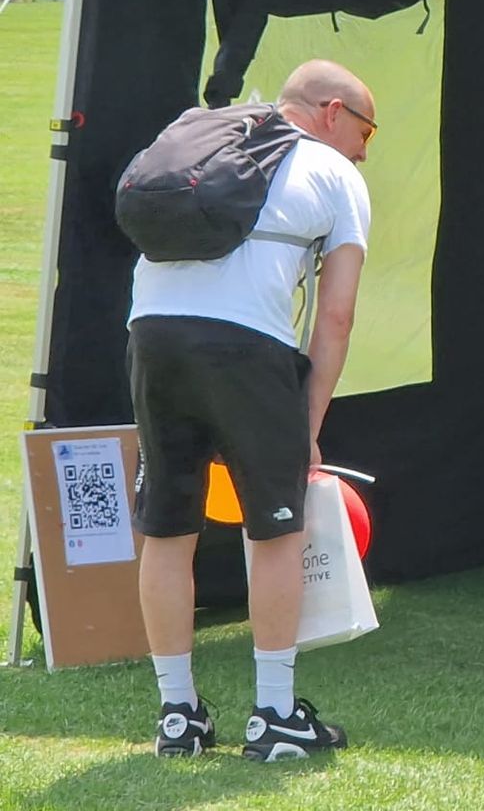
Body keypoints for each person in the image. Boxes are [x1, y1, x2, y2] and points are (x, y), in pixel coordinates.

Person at [127, 60, 377, 759]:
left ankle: (177, 716)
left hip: (151, 332)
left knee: (167, 525)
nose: (365, 148)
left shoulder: (201, 136)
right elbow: (336, 317)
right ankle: (273, 716)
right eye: (366, 130)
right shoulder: (335, 174)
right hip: (246, 348)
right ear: (332, 113)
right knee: (275, 530)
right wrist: (309, 429)